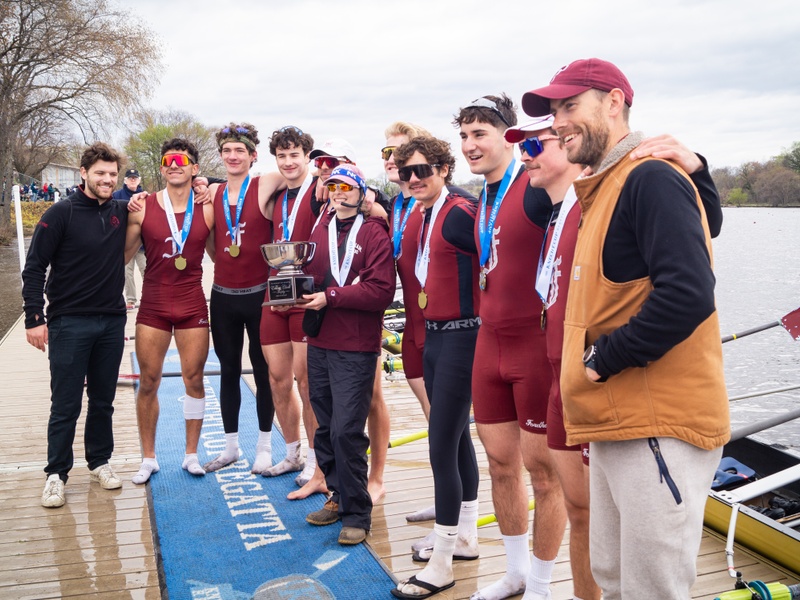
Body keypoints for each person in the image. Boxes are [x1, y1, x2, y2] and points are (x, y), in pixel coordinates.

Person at [522, 57, 730, 599]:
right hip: (616, 420)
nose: (558, 121)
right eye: (554, 110)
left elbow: (689, 291)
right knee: (614, 579)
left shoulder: (649, 176)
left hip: (656, 425)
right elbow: (700, 226)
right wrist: (701, 175)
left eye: (570, 105)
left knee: (651, 588)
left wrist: (602, 359)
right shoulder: (607, 183)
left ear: (614, 102)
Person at [451, 96, 562, 600]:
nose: (470, 145)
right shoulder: (482, 196)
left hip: (533, 346)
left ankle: (541, 584)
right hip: (489, 342)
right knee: (499, 465)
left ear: (508, 137)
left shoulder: (536, 187)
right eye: (464, 136)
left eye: (480, 134)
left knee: (544, 475)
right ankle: (515, 573)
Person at [391, 137, 480, 599]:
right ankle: (465, 537)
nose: (413, 179)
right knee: (457, 439)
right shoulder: (420, 214)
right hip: (435, 335)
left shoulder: (461, 212)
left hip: (464, 336)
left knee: (441, 443)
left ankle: (442, 563)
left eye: (423, 169)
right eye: (406, 171)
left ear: (444, 169)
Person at [22, 142, 127, 508]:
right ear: (84, 173)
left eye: (112, 174)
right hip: (68, 322)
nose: (107, 179)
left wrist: (203, 184)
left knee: (103, 400)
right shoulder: (60, 213)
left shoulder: (121, 210)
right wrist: (34, 318)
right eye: (100, 173)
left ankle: (99, 461)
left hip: (111, 321)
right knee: (65, 403)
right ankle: (56, 474)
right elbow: (34, 268)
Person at [301, 164, 395, 545]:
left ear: (361, 192)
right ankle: (339, 495)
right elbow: (309, 273)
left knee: (346, 431)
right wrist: (292, 289)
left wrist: (331, 296)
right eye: (333, 187)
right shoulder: (319, 228)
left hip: (355, 345)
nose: (339, 193)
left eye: (347, 187)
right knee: (324, 427)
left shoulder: (373, 232)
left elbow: (381, 290)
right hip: (320, 341)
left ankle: (358, 513)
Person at [125, 138, 215, 484]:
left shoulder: (207, 207)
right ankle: (149, 458)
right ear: (161, 168)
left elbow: (223, 257)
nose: (174, 165)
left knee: (194, 379)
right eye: (167, 161)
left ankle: (191, 455)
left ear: (195, 169)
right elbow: (120, 256)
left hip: (192, 304)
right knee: (149, 381)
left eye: (181, 160)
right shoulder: (142, 206)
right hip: (154, 306)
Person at [197, 123, 285, 476]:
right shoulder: (213, 191)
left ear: (253, 156)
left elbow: (300, 173)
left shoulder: (265, 182)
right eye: (227, 151)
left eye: (240, 151)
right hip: (223, 296)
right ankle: (231, 447)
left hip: (259, 296)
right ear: (220, 156)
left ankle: (264, 447)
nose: (233, 156)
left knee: (263, 371)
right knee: (228, 370)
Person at [259, 126, 321, 488]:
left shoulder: (320, 189)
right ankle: (292, 451)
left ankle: (315, 458)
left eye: (294, 155)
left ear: (307, 157)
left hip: (307, 296)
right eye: (281, 156)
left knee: (306, 381)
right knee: (278, 379)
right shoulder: (278, 194)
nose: (288, 162)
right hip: (276, 291)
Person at [113, 169, 147, 309]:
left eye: (135, 178)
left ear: (139, 180)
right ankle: (131, 300)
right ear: (125, 180)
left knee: (147, 271)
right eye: (130, 178)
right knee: (127, 273)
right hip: (125, 242)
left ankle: (149, 298)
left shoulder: (145, 196)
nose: (133, 180)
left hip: (142, 243)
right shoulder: (116, 196)